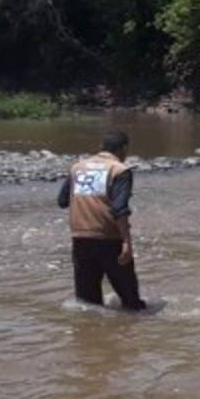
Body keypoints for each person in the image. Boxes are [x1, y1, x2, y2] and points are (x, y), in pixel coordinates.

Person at [57, 131, 146, 311]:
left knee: (88, 305)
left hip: (80, 239)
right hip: (109, 240)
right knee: (132, 304)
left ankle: (89, 335)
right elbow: (119, 208)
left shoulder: (77, 168)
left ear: (101, 148)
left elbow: (62, 201)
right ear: (124, 149)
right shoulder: (119, 170)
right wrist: (127, 243)